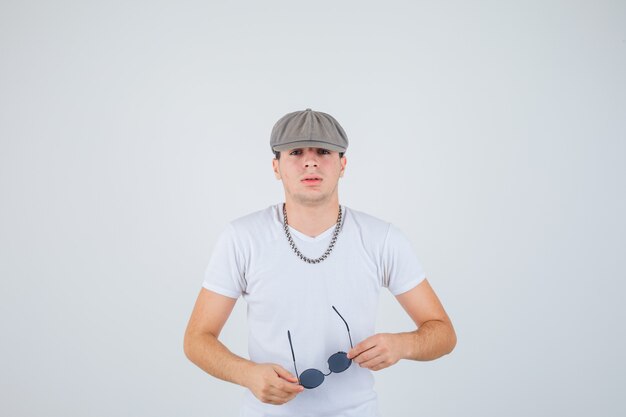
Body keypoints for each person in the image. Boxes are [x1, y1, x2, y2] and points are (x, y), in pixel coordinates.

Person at [184, 109, 456, 417]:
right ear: (276, 167)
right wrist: (246, 373)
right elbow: (197, 339)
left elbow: (443, 333)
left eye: (323, 151)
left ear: (343, 164)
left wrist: (402, 345)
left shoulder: (382, 238)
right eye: (296, 152)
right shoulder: (241, 237)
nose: (310, 162)